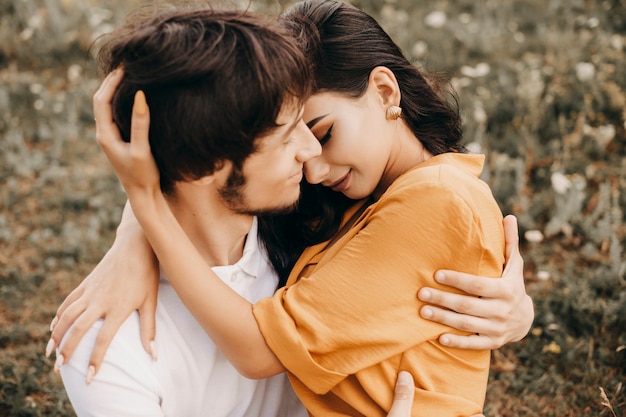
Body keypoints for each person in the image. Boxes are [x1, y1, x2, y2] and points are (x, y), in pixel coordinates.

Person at [56, 1, 534, 416]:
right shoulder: (337, 204)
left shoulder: (434, 198)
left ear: (386, 93)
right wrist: (134, 234)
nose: (310, 164)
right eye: (291, 136)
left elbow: (261, 348)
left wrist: (147, 208)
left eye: (322, 132)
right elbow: (198, 162)